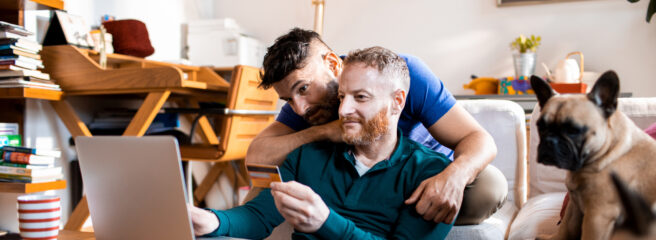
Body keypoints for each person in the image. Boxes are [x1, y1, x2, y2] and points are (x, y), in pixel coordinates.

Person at [246, 28, 505, 225]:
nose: (299, 108)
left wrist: (454, 177)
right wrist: (325, 130)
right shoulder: (306, 107)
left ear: (334, 65)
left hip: (418, 181)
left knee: (490, 187)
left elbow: (478, 138)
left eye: (303, 89)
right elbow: (257, 158)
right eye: (289, 99)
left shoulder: (402, 74)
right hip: (352, 185)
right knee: (262, 192)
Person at [190, 46, 454, 239]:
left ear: (397, 102)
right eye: (341, 97)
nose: (344, 110)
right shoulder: (308, 156)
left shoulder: (430, 174)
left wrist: (325, 221)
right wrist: (209, 220)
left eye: (360, 97)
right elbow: (258, 216)